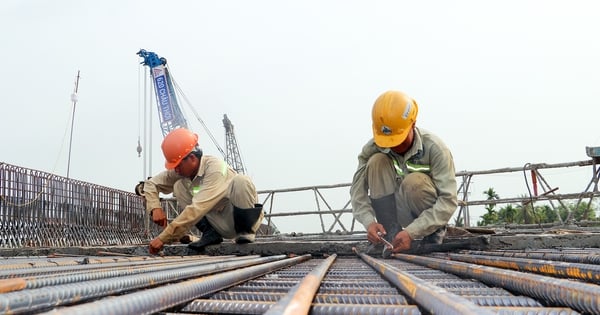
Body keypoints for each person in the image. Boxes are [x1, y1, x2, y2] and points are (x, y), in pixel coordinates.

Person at [350, 90, 458, 253]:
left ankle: (433, 234)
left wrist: (412, 232)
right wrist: (369, 222)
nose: (392, 145)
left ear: (412, 124)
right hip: (397, 210)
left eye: (397, 139)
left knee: (413, 182)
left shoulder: (435, 149)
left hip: (426, 216)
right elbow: (357, 192)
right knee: (376, 162)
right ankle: (390, 233)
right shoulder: (372, 148)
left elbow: (448, 200)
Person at [143, 128, 264, 255]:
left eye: (178, 165)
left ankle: (245, 234)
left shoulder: (215, 169)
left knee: (241, 180)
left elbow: (197, 208)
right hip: (219, 223)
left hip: (236, 217)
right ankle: (210, 234)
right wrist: (154, 207)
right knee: (179, 185)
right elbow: (151, 184)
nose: (176, 170)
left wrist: (164, 238)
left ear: (193, 158)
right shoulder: (183, 171)